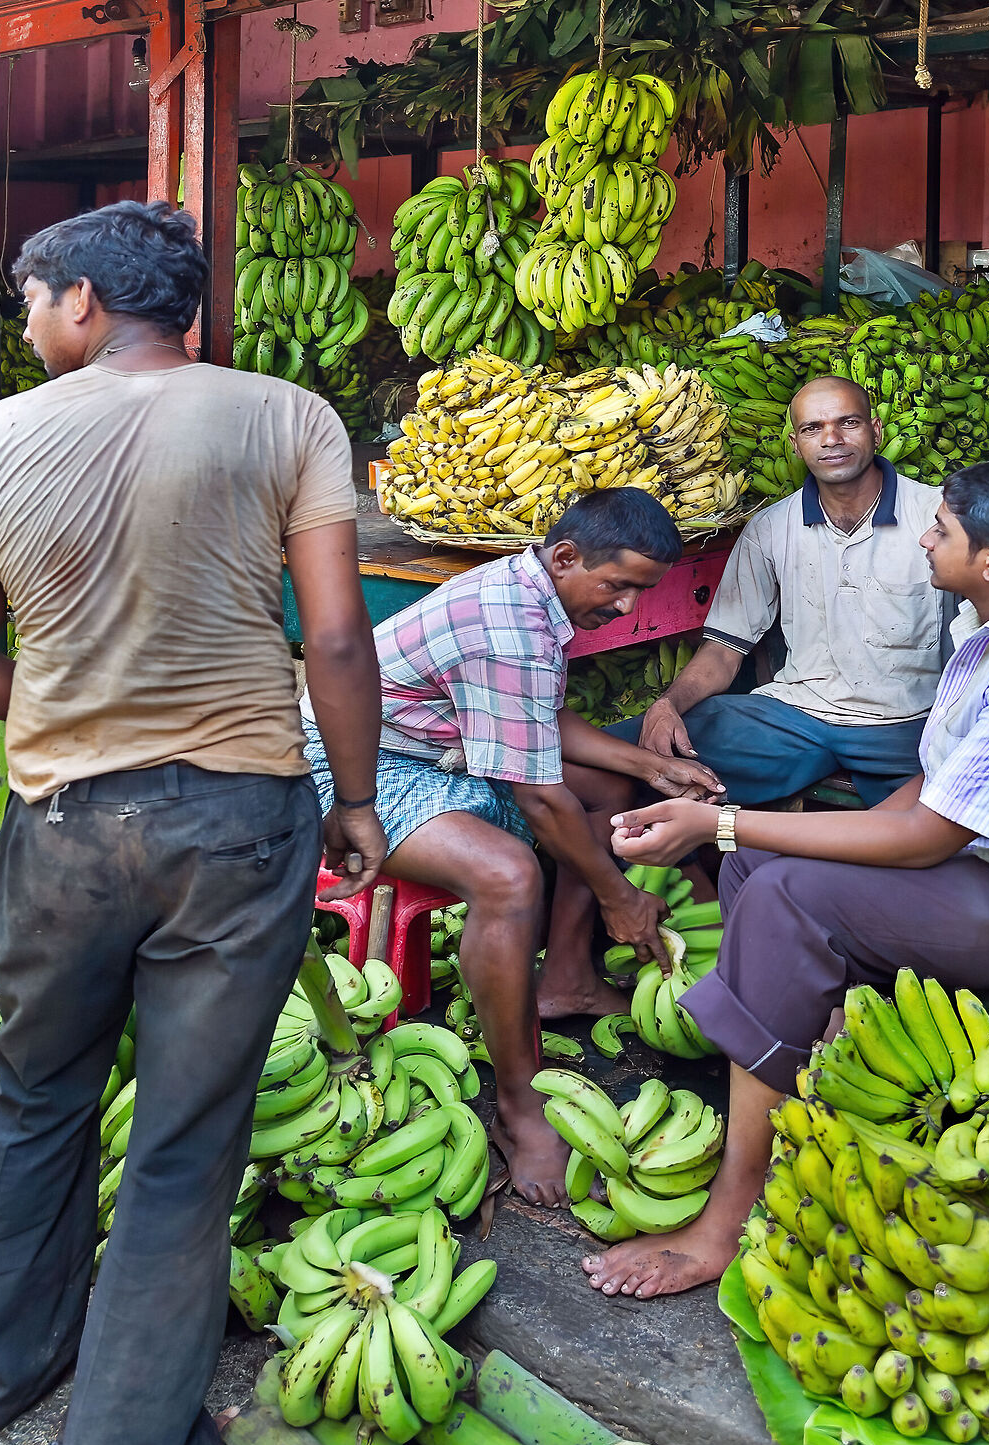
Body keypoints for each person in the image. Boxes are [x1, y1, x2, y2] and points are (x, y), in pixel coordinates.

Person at [0, 201, 387, 1445]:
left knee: (36, 1095)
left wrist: (79, 700)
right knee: (184, 1143)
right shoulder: (291, 418)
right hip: (239, 821)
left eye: (28, 301)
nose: (24, 324)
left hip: (63, 823)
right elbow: (338, 641)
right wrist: (355, 798)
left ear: (78, 301)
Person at [577, 458, 989, 1300]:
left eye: (942, 530)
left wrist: (714, 822)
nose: (926, 538)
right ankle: (799, 1085)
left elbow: (928, 837)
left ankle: (728, 1217)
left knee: (790, 890)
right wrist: (750, 836)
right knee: (763, 864)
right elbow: (930, 786)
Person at [301, 488, 725, 1207]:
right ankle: (519, 1108)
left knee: (607, 792)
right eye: (618, 586)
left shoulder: (534, 596)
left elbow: (538, 717)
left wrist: (648, 766)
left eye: (641, 592)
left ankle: (566, 981)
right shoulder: (507, 623)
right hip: (351, 770)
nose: (626, 608)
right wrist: (621, 899)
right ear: (565, 557)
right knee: (509, 875)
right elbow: (538, 797)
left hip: (438, 752)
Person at [608, 376, 951, 809]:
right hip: (794, 718)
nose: (832, 439)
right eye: (813, 429)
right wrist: (667, 704)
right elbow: (723, 651)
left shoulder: (936, 518)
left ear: (876, 430)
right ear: (795, 443)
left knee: (949, 824)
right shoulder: (770, 528)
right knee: (620, 760)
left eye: (848, 423)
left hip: (906, 726)